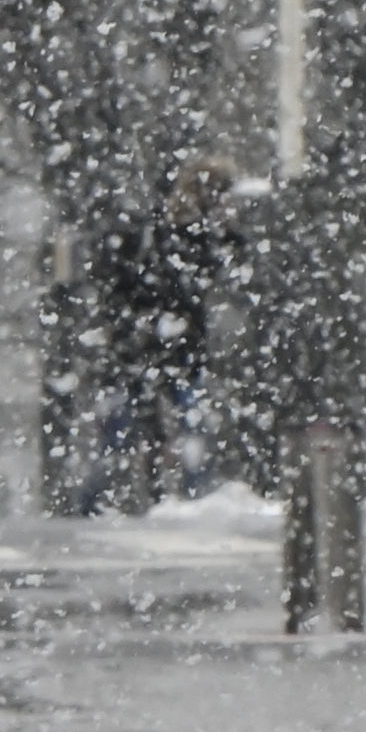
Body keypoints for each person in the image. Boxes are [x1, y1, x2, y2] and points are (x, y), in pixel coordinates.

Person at [95, 157, 240, 509]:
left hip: (159, 347)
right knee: (177, 426)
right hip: (161, 346)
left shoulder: (179, 233)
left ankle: (120, 499)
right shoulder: (169, 234)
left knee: (141, 429)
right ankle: (173, 498)